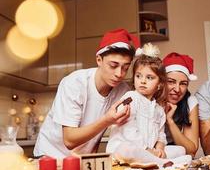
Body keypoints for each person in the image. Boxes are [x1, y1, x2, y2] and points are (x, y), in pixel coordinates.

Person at [34, 29, 140, 159]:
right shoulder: (74, 83)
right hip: (50, 155)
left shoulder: (123, 90)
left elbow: (97, 136)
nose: (119, 74)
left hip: (81, 160)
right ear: (99, 60)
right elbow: (69, 140)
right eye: (113, 65)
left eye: (125, 68)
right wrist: (107, 120)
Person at [106, 44, 191, 166]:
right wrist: (147, 149)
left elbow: (161, 135)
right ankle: (163, 163)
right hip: (126, 150)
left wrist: (160, 148)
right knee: (127, 149)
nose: (143, 81)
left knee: (180, 150)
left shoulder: (159, 109)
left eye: (149, 77)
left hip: (148, 151)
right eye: (138, 76)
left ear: (160, 84)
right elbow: (129, 131)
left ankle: (157, 160)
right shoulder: (130, 98)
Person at [162, 52, 200, 157]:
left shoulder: (190, 102)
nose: (177, 89)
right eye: (171, 82)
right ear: (161, 82)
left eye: (183, 84)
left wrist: (170, 121)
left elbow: (191, 150)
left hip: (175, 151)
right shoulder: (149, 100)